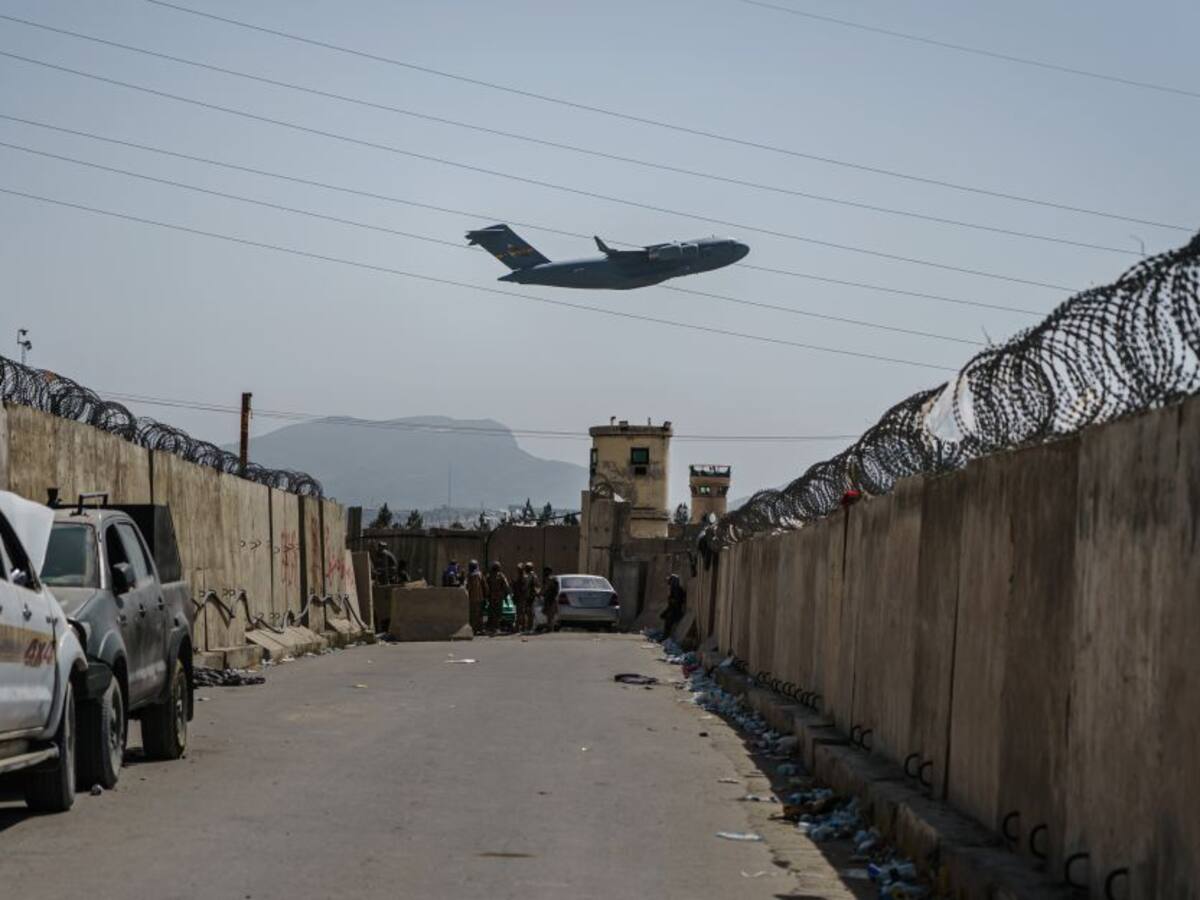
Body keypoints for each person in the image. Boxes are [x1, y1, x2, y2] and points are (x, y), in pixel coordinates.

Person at [485, 561, 510, 634]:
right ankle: (497, 627)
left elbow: (486, 586)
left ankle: (491, 627)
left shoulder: (489, 576)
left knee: (492, 611)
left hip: (492, 597)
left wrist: (487, 595)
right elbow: (506, 586)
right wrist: (506, 594)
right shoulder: (501, 575)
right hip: (499, 597)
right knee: (498, 612)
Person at [661, 573, 686, 638]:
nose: (669, 582)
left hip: (675, 610)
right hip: (672, 609)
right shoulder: (673, 589)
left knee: (668, 622)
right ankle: (665, 636)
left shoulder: (677, 590)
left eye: (670, 581)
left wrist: (671, 600)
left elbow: (677, 601)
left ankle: (665, 637)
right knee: (666, 619)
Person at [465, 560, 486, 634]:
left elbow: (466, 587)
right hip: (480, 597)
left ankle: (473, 629)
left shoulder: (469, 576)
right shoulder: (480, 575)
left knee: (473, 614)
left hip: (471, 598)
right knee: (480, 614)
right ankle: (480, 628)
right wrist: (486, 595)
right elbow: (485, 586)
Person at [541, 566, 560, 633]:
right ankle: (550, 627)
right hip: (552, 598)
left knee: (550, 614)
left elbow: (545, 589)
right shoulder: (554, 579)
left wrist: (541, 593)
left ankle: (550, 628)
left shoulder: (550, 579)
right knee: (550, 614)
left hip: (550, 599)